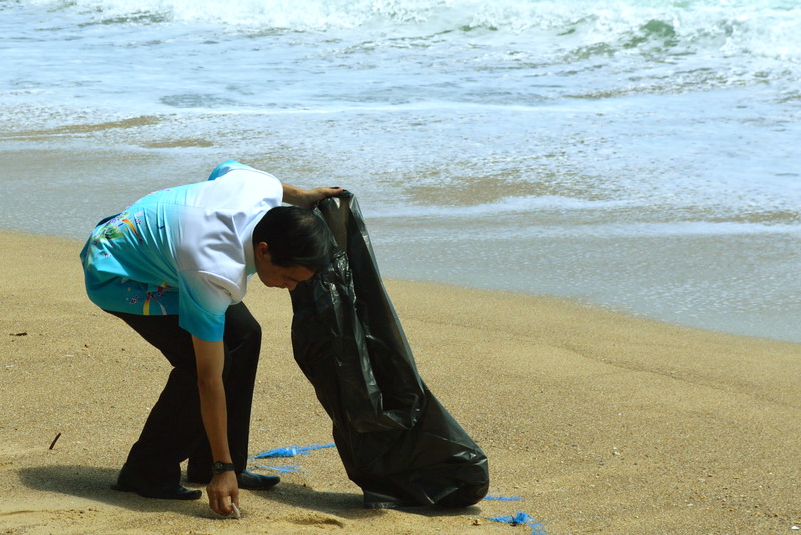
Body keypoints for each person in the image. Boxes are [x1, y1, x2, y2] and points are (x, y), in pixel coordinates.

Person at [79, 160, 342, 516]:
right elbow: (208, 377)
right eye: (288, 277)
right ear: (263, 250)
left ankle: (213, 461)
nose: (290, 287)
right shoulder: (215, 271)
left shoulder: (260, 188)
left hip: (168, 251)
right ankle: (147, 471)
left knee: (245, 335)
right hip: (118, 270)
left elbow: (225, 167)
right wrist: (224, 471)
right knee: (199, 362)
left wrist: (302, 196)